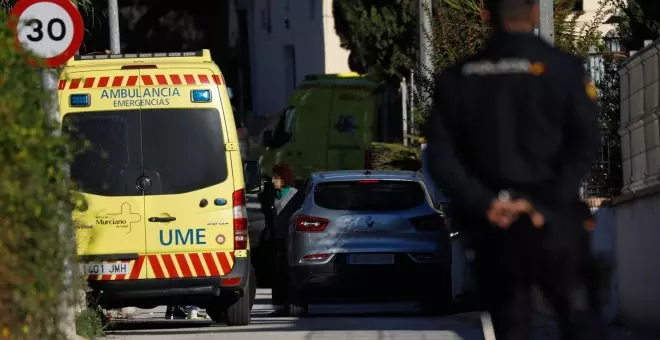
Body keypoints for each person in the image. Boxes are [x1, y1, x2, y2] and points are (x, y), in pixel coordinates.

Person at [424, 0, 605, 338]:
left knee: (511, 326)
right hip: (554, 223)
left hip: (494, 226)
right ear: (536, 11)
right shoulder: (563, 69)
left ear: (486, 15)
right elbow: (585, 143)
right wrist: (545, 202)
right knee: (580, 322)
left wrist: (485, 203)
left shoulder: (459, 77)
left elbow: (441, 157)